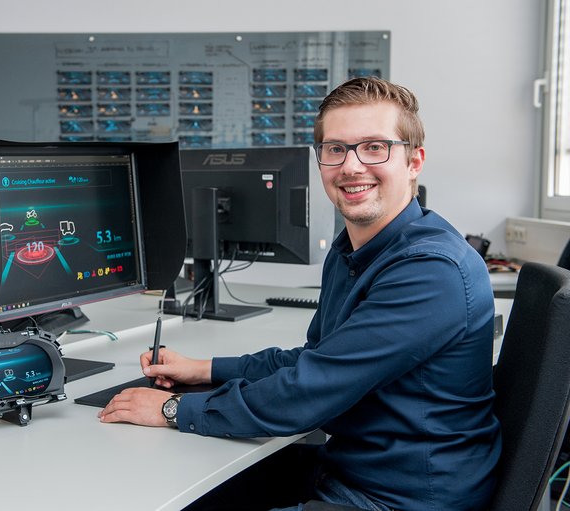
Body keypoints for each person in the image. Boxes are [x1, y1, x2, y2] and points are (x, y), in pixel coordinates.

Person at [98, 76, 501, 511]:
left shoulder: (430, 270)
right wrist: (203, 369)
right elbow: (315, 361)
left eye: (374, 147)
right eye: (335, 149)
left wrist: (172, 411)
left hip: (403, 499)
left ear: (414, 161)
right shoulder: (354, 249)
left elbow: (308, 391)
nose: (351, 166)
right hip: (353, 472)